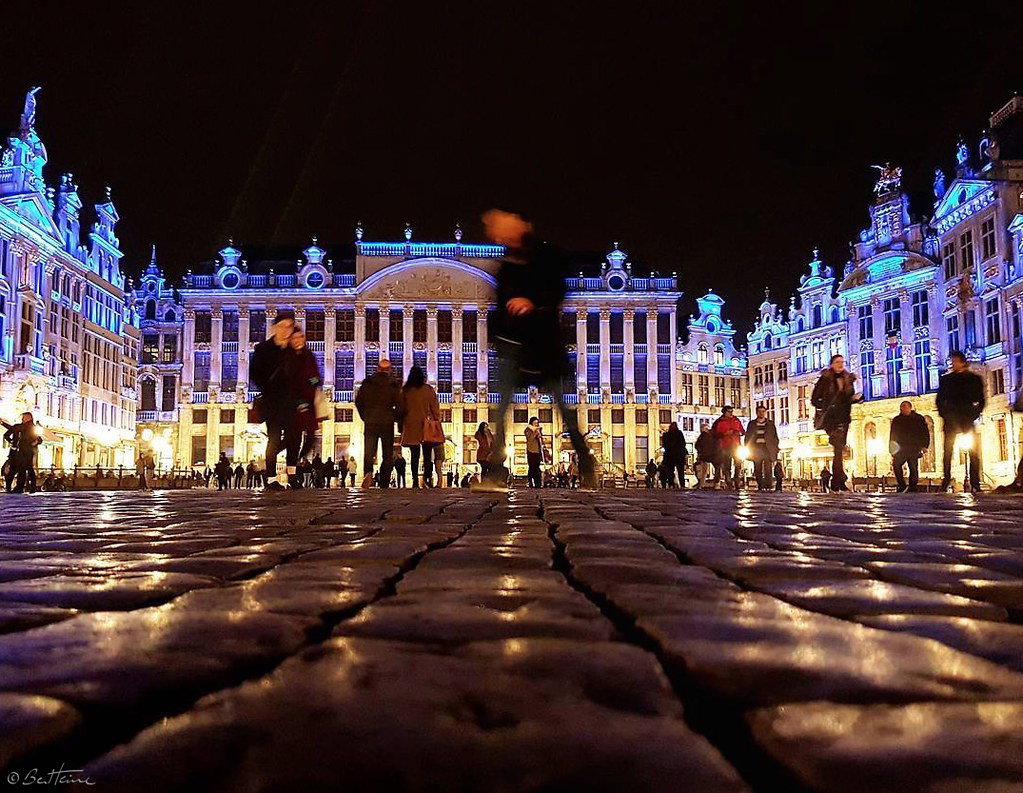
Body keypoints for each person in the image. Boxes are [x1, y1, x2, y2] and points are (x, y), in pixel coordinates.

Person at [477, 208, 595, 491]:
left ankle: (586, 464)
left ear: (519, 226)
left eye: (501, 226)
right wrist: (497, 336)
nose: (497, 233)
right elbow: (499, 304)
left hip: (543, 345)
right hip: (514, 348)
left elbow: (558, 290)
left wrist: (533, 302)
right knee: (502, 408)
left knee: (564, 410)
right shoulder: (505, 264)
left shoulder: (545, 256)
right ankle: (495, 473)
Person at [250, 311, 298, 490]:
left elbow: (309, 373)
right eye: (283, 326)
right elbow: (254, 373)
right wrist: (268, 388)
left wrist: (312, 386)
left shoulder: (295, 349)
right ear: (275, 327)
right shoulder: (263, 349)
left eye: (289, 327)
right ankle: (270, 478)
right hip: (273, 402)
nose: (286, 330)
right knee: (274, 439)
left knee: (294, 439)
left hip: (292, 402)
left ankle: (292, 476)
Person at [811, 354, 861, 492]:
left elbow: (848, 398)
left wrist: (856, 398)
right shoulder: (825, 379)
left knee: (839, 449)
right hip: (831, 418)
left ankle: (837, 481)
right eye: (837, 362)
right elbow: (815, 399)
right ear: (832, 364)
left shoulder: (847, 378)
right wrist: (826, 406)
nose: (841, 364)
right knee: (838, 448)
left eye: (842, 362)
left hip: (843, 417)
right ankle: (838, 482)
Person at [936, 351, 985, 492]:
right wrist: (944, 414)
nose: (953, 364)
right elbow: (940, 399)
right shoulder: (946, 380)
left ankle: (975, 482)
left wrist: (974, 414)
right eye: (952, 361)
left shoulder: (974, 379)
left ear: (963, 362)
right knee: (947, 451)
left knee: (973, 451)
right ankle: (946, 479)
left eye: (955, 361)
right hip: (951, 418)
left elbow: (981, 399)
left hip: (967, 418)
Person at [355, 358, 401, 489]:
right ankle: (385, 480)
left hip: (371, 421)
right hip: (387, 421)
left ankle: (368, 473)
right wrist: (395, 418)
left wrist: (365, 416)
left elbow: (358, 402)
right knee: (387, 453)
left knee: (369, 450)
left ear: (377, 369)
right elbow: (400, 405)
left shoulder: (367, 382)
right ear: (390, 370)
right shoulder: (393, 384)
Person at [397, 364, 440, 488]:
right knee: (427, 455)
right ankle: (427, 478)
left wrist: (401, 424)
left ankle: (415, 480)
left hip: (411, 425)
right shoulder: (428, 390)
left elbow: (401, 409)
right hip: (426, 425)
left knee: (414, 455)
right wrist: (436, 420)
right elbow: (435, 407)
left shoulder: (405, 390)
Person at [888, 400, 930, 493]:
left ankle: (913, 486)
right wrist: (892, 449)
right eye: (901, 407)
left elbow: (924, 433)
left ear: (910, 408)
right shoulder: (897, 420)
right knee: (896, 465)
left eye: (904, 406)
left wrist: (924, 445)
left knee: (913, 467)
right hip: (901, 448)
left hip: (913, 447)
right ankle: (902, 485)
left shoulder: (918, 419)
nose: (902, 408)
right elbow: (893, 435)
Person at [745, 405, 780, 491]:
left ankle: (768, 485)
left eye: (763, 411)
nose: (761, 413)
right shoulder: (752, 424)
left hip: (767, 447)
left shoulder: (770, 423)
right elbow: (748, 436)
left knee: (768, 467)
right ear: (756, 413)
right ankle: (760, 484)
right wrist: (747, 446)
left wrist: (775, 446)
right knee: (758, 467)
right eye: (759, 411)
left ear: (765, 413)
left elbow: (774, 436)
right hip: (756, 448)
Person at [711, 406, 744, 489]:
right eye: (729, 411)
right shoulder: (719, 422)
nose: (731, 413)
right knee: (727, 464)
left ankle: (737, 479)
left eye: (732, 411)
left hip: (736, 445)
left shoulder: (736, 420)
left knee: (738, 463)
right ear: (724, 412)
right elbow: (714, 434)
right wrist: (724, 434)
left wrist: (739, 432)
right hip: (725, 445)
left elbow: (742, 431)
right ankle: (728, 481)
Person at [660, 421, 688, 488]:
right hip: (679, 456)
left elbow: (664, 445)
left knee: (670, 471)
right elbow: (683, 444)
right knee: (680, 472)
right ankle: (682, 485)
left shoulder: (666, 435)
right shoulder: (679, 433)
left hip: (670, 456)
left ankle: (671, 484)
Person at [694, 421, 716, 489]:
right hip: (711, 454)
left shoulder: (702, 436)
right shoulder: (711, 436)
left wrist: (700, 451)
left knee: (704, 471)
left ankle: (702, 484)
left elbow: (697, 445)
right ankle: (716, 483)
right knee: (715, 468)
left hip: (704, 455)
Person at [524, 417, 544, 488]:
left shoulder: (538, 430)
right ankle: (531, 482)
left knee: (537, 467)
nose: (536, 424)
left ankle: (537, 483)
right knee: (532, 467)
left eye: (537, 423)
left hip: (537, 451)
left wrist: (540, 435)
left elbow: (540, 440)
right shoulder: (528, 430)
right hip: (531, 450)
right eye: (535, 423)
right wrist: (535, 433)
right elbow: (530, 439)